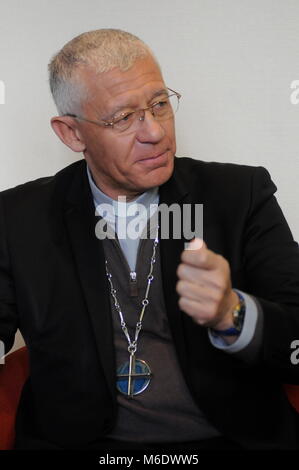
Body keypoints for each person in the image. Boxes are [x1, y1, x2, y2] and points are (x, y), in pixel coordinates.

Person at [0, 28, 299, 451]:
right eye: (123, 118)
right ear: (72, 134)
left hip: (224, 439)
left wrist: (231, 313)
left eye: (160, 104)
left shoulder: (241, 195)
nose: (155, 132)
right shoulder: (18, 217)